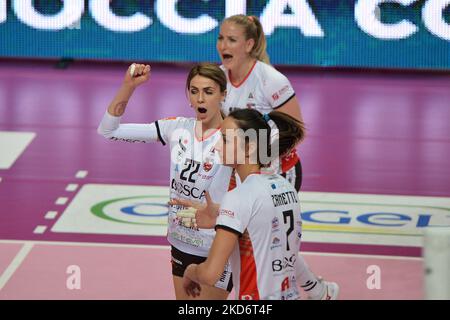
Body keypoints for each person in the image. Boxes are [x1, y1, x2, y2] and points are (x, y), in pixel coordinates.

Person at [216, 14, 339, 299]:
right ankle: (317, 291)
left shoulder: (269, 79)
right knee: (256, 239)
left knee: (271, 240)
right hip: (243, 170)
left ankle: (305, 291)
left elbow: (297, 129)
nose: (223, 44)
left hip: (279, 171)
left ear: (248, 44)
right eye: (221, 38)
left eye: (231, 39)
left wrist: (259, 156)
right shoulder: (219, 77)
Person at [97, 62, 233, 299]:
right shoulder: (176, 128)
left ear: (223, 94)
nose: (200, 99)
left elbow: (256, 194)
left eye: (208, 92)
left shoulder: (235, 137)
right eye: (194, 91)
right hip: (181, 241)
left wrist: (218, 213)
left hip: (217, 245)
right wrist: (129, 86)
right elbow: (109, 130)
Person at [181, 109, 305, 300]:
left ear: (250, 148)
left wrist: (190, 271)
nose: (216, 147)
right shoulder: (286, 187)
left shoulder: (238, 197)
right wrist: (221, 215)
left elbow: (209, 274)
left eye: (225, 139)